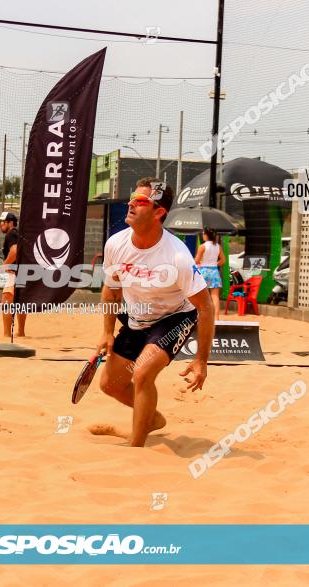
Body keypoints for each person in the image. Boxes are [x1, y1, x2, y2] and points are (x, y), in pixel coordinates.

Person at [96, 178, 215, 447]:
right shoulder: (116, 244)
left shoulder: (178, 257)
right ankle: (152, 419)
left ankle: (135, 447)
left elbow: (205, 306)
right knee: (110, 385)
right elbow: (111, 290)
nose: (130, 204)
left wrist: (201, 360)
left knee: (142, 373)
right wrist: (106, 332)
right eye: (132, 198)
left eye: (140, 201)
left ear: (159, 212)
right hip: (138, 316)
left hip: (173, 317)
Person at [0, 210, 26, 337]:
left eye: (2, 222)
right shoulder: (18, 234)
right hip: (23, 271)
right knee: (20, 303)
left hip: (14, 272)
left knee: (6, 301)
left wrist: (4, 265)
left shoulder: (11, 234)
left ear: (10, 223)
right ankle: (21, 332)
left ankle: (7, 334)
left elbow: (14, 251)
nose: (0, 225)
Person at [194, 227, 225, 320]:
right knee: (215, 296)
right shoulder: (218, 246)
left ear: (207, 235)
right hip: (214, 271)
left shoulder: (202, 246)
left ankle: (201, 316)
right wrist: (215, 264)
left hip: (203, 271)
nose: (203, 235)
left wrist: (199, 262)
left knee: (200, 295)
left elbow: (197, 260)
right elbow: (223, 260)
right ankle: (216, 318)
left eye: (203, 233)